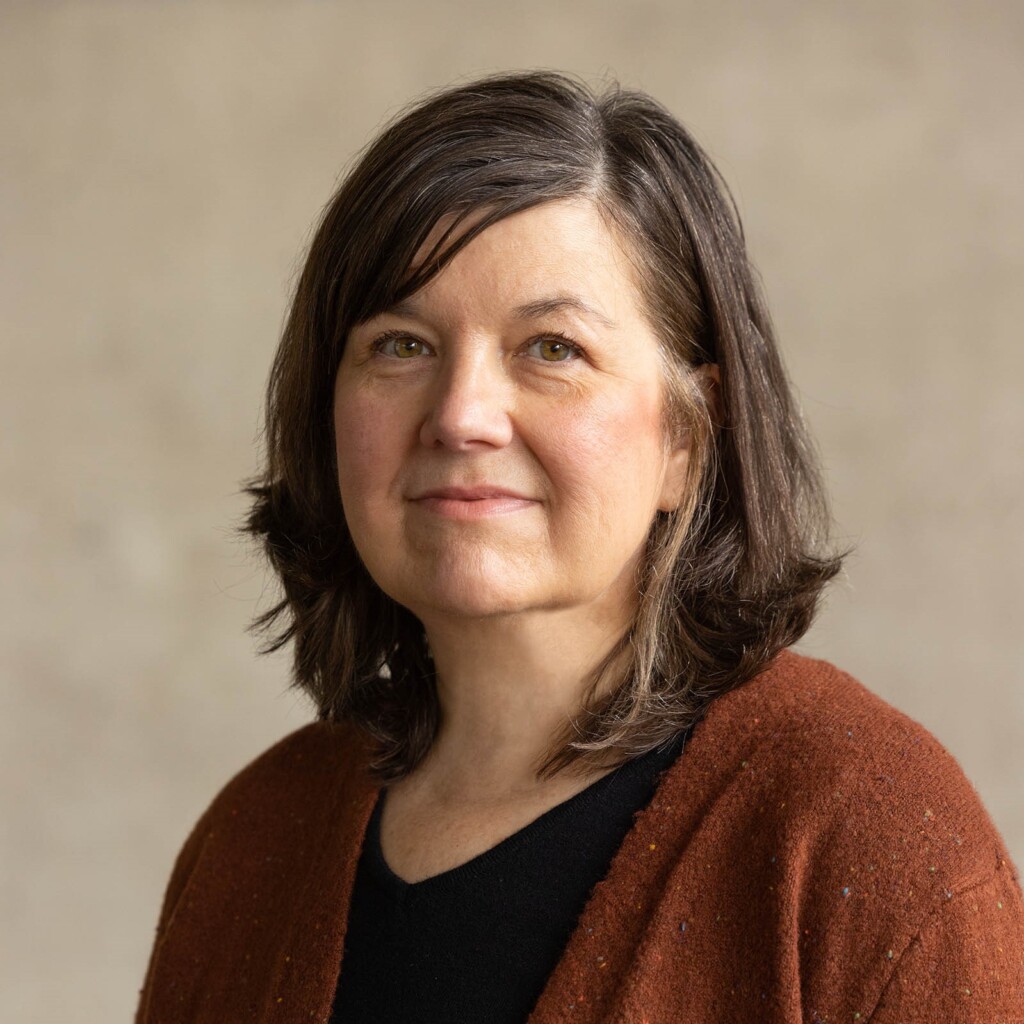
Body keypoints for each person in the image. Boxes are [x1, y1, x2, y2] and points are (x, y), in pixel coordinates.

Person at [134, 71, 1024, 1023]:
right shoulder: (252, 841)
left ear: (688, 436)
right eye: (401, 345)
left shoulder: (865, 831)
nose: (462, 415)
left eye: (552, 348)